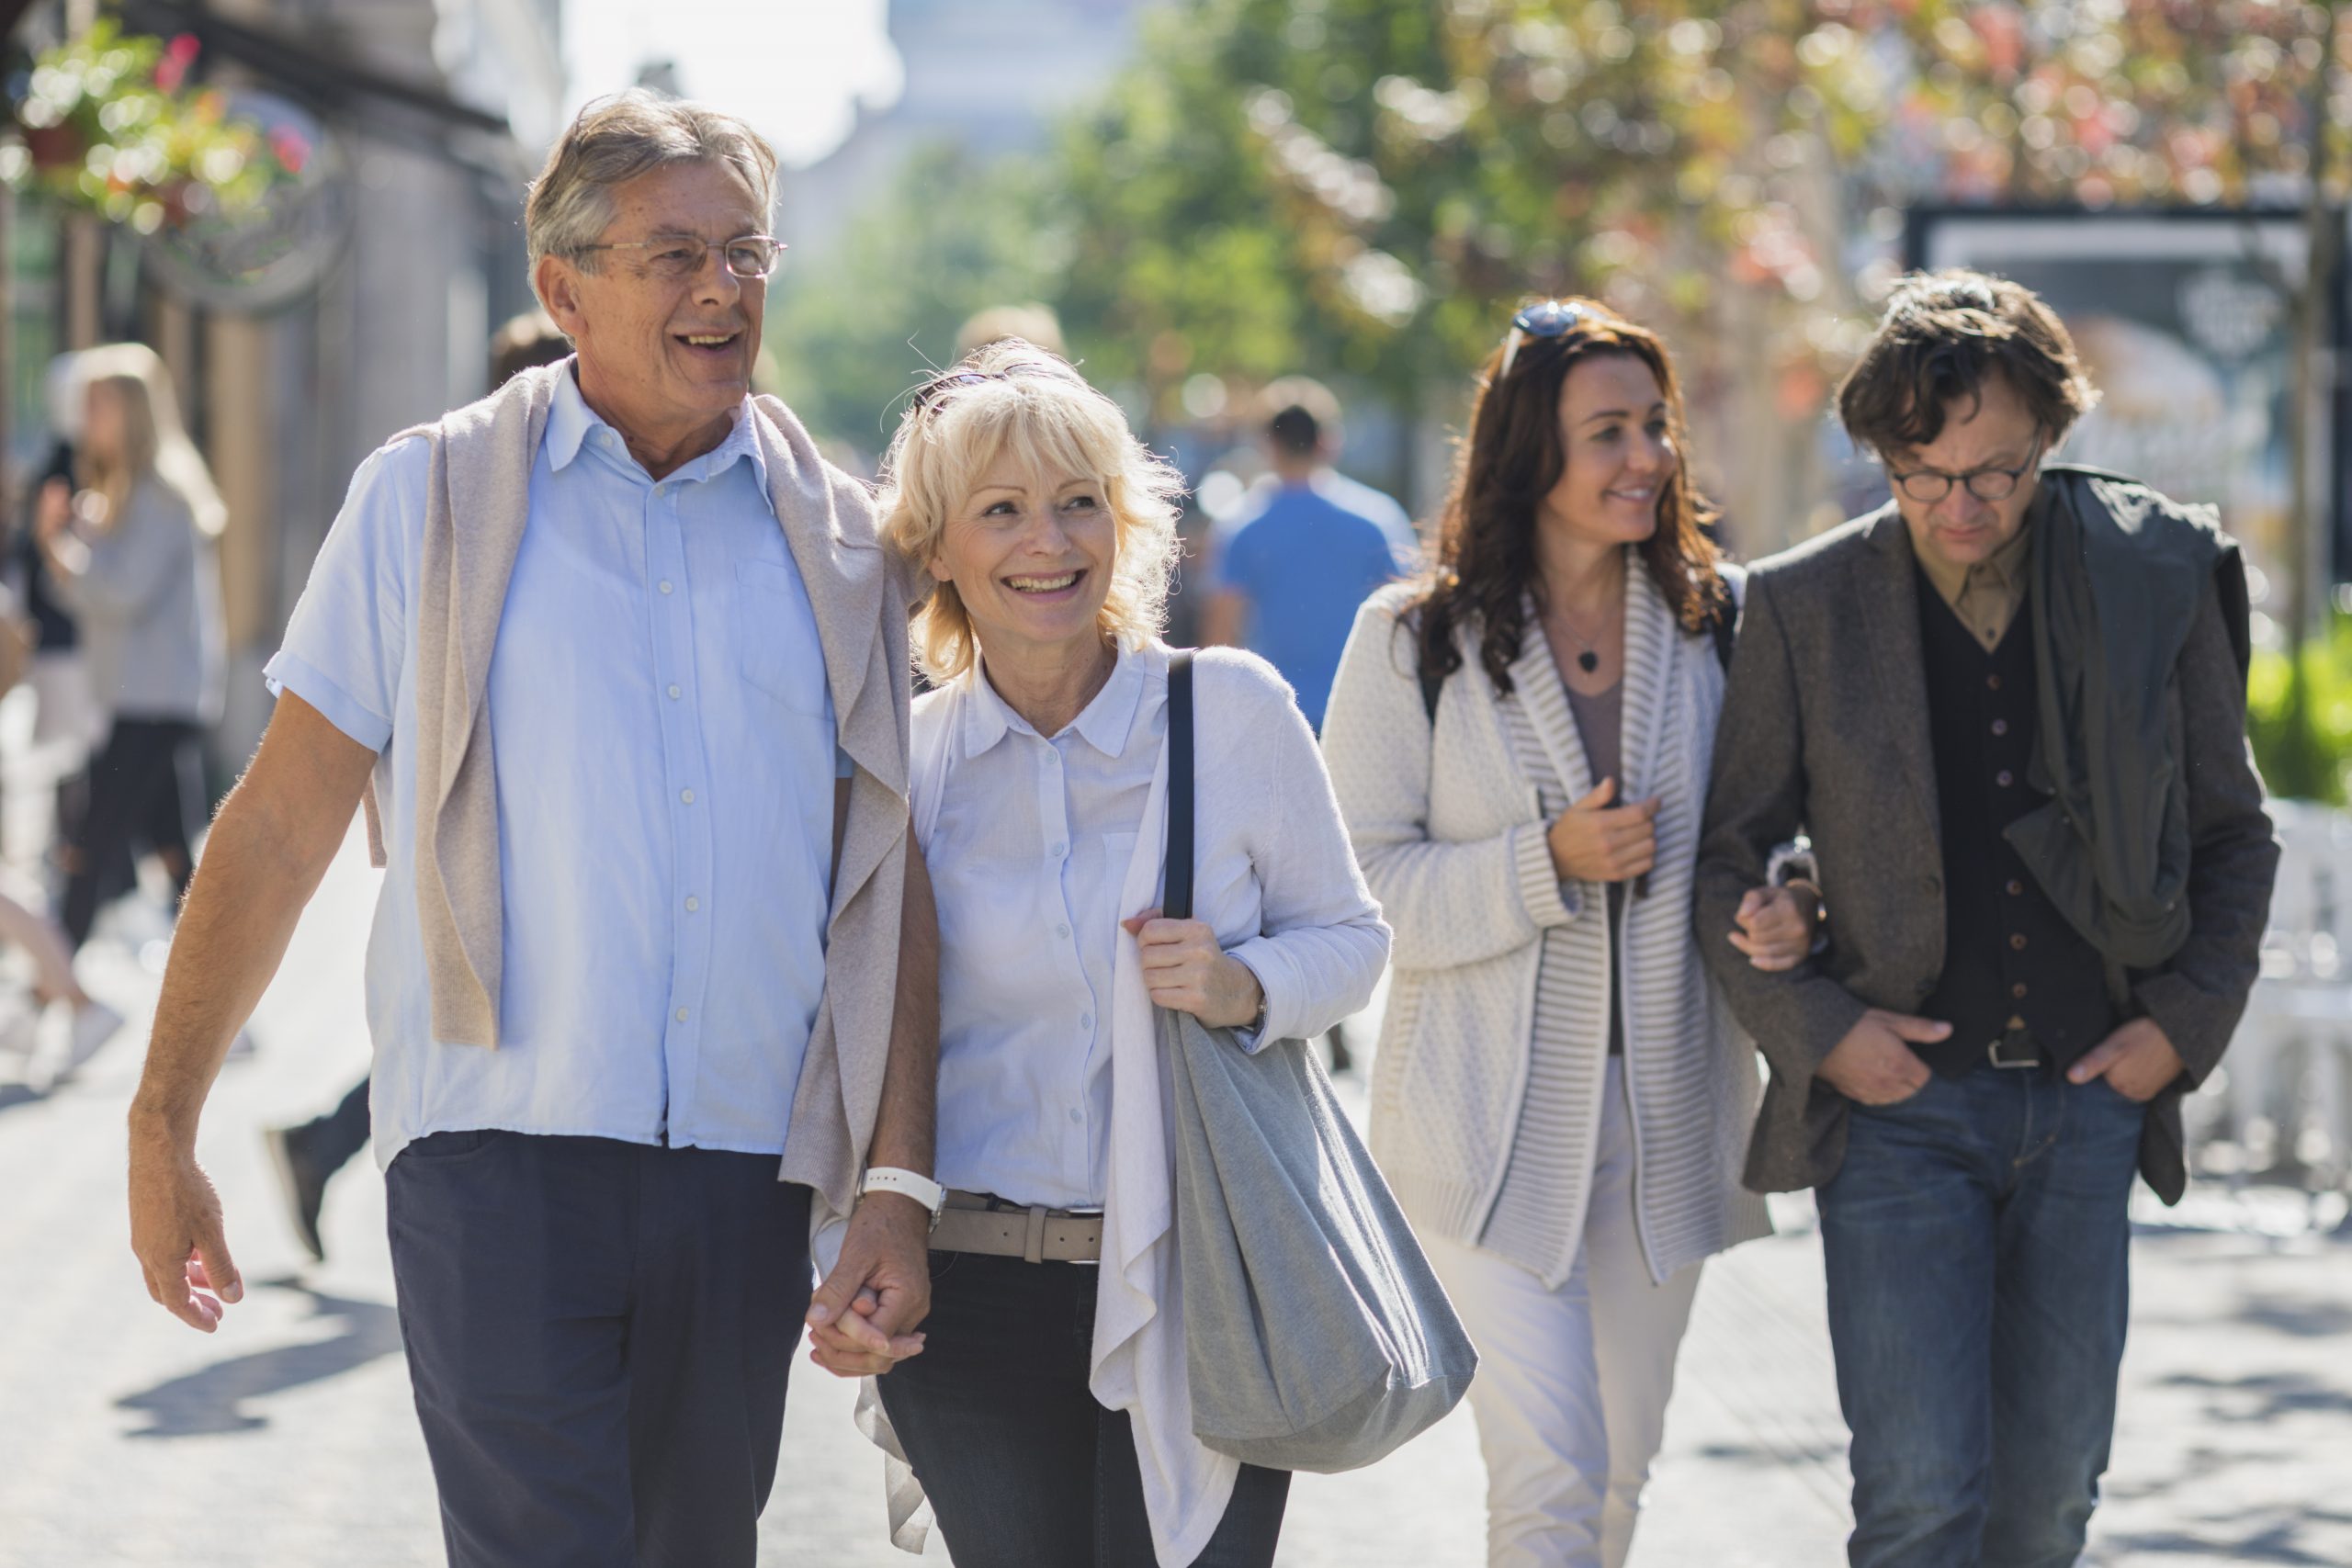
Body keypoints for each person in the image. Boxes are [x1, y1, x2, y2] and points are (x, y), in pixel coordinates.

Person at [124, 93, 940, 1568]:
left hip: (746, 1162)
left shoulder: (841, 542)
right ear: (562, 288)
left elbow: (898, 876)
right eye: (676, 254)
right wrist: (161, 1114)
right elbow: (283, 821)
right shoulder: (427, 498)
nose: (723, 289)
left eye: (747, 253)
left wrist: (895, 1177)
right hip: (494, 1152)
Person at [1696, 269, 2278, 1568]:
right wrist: (1820, 1027)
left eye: (1996, 474)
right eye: (1922, 474)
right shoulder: (1800, 602)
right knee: (1916, 1501)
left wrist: (2178, 1027)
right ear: (1882, 453)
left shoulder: (2151, 578)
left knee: (2052, 1504)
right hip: (1900, 1114)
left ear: (2052, 436)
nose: (1960, 507)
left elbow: (2238, 833)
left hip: (2087, 1103)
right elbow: (1724, 851)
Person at [853, 340, 1391, 1567]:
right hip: (971, 1290)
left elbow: (1354, 940)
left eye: (1078, 501)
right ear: (939, 545)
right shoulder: (905, 766)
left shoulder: (1230, 709)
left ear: (1125, 521)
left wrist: (1245, 982)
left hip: (1202, 1270)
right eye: (1001, 510)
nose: (1049, 541)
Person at [1320, 298, 1817, 1568]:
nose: (1645, 455)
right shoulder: (1409, 642)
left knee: (1616, 1483)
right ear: (1528, 453)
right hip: (1476, 1127)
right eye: (1608, 431)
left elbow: (1778, 828)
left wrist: (1787, 900)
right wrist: (1542, 862)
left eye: (1655, 426)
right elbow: (1357, 892)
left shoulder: (1724, 628)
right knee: (1552, 1472)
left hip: (1668, 1121)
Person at [261, 306, 576, 1265]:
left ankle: (321, 1142)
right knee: (473, 1014)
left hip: (500, 842)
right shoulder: (454, 498)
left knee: (476, 1010)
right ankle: (327, 1143)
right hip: (494, 842)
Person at [34, 343, 226, 964]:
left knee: (91, 840)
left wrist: (58, 546)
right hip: (139, 693)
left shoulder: (162, 489)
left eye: (98, 404)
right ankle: (225, 986)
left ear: (132, 411)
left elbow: (119, 591)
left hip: (155, 697)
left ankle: (55, 988)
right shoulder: (123, 489)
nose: (85, 418)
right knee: (171, 850)